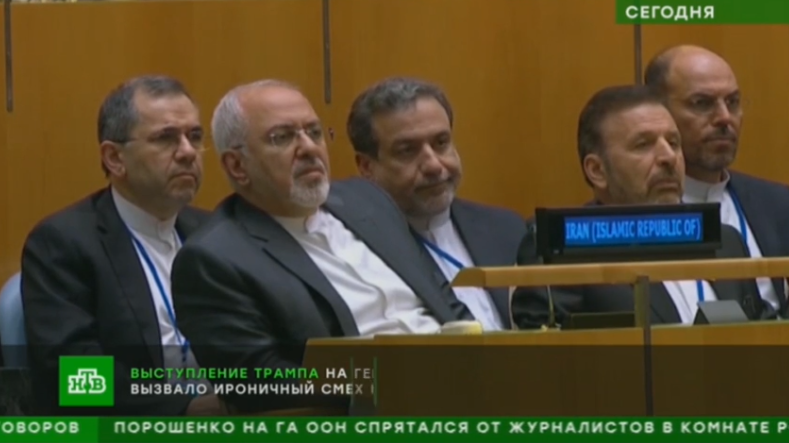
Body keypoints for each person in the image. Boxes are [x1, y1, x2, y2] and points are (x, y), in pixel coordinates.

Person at [171, 79, 472, 413]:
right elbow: (258, 385)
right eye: (282, 137)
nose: (308, 148)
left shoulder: (368, 201)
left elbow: (447, 305)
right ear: (237, 166)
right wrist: (396, 384)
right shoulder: (214, 259)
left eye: (314, 132)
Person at [21, 75, 221, 415]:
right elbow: (77, 376)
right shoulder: (62, 244)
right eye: (166, 138)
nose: (188, 152)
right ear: (115, 158)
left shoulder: (216, 231)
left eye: (195, 136)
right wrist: (187, 409)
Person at [512, 85, 774, 329]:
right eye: (643, 145)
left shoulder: (726, 241)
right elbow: (548, 362)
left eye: (673, 143)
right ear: (597, 170)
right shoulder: (558, 247)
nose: (668, 158)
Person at [347, 77, 527, 331]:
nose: (433, 165)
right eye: (407, 150)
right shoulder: (357, 252)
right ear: (367, 167)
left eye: (441, 143)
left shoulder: (506, 228)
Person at [644, 45, 789, 317]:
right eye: (702, 103)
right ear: (658, 112)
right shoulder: (629, 217)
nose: (724, 118)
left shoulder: (780, 205)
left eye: (733, 102)